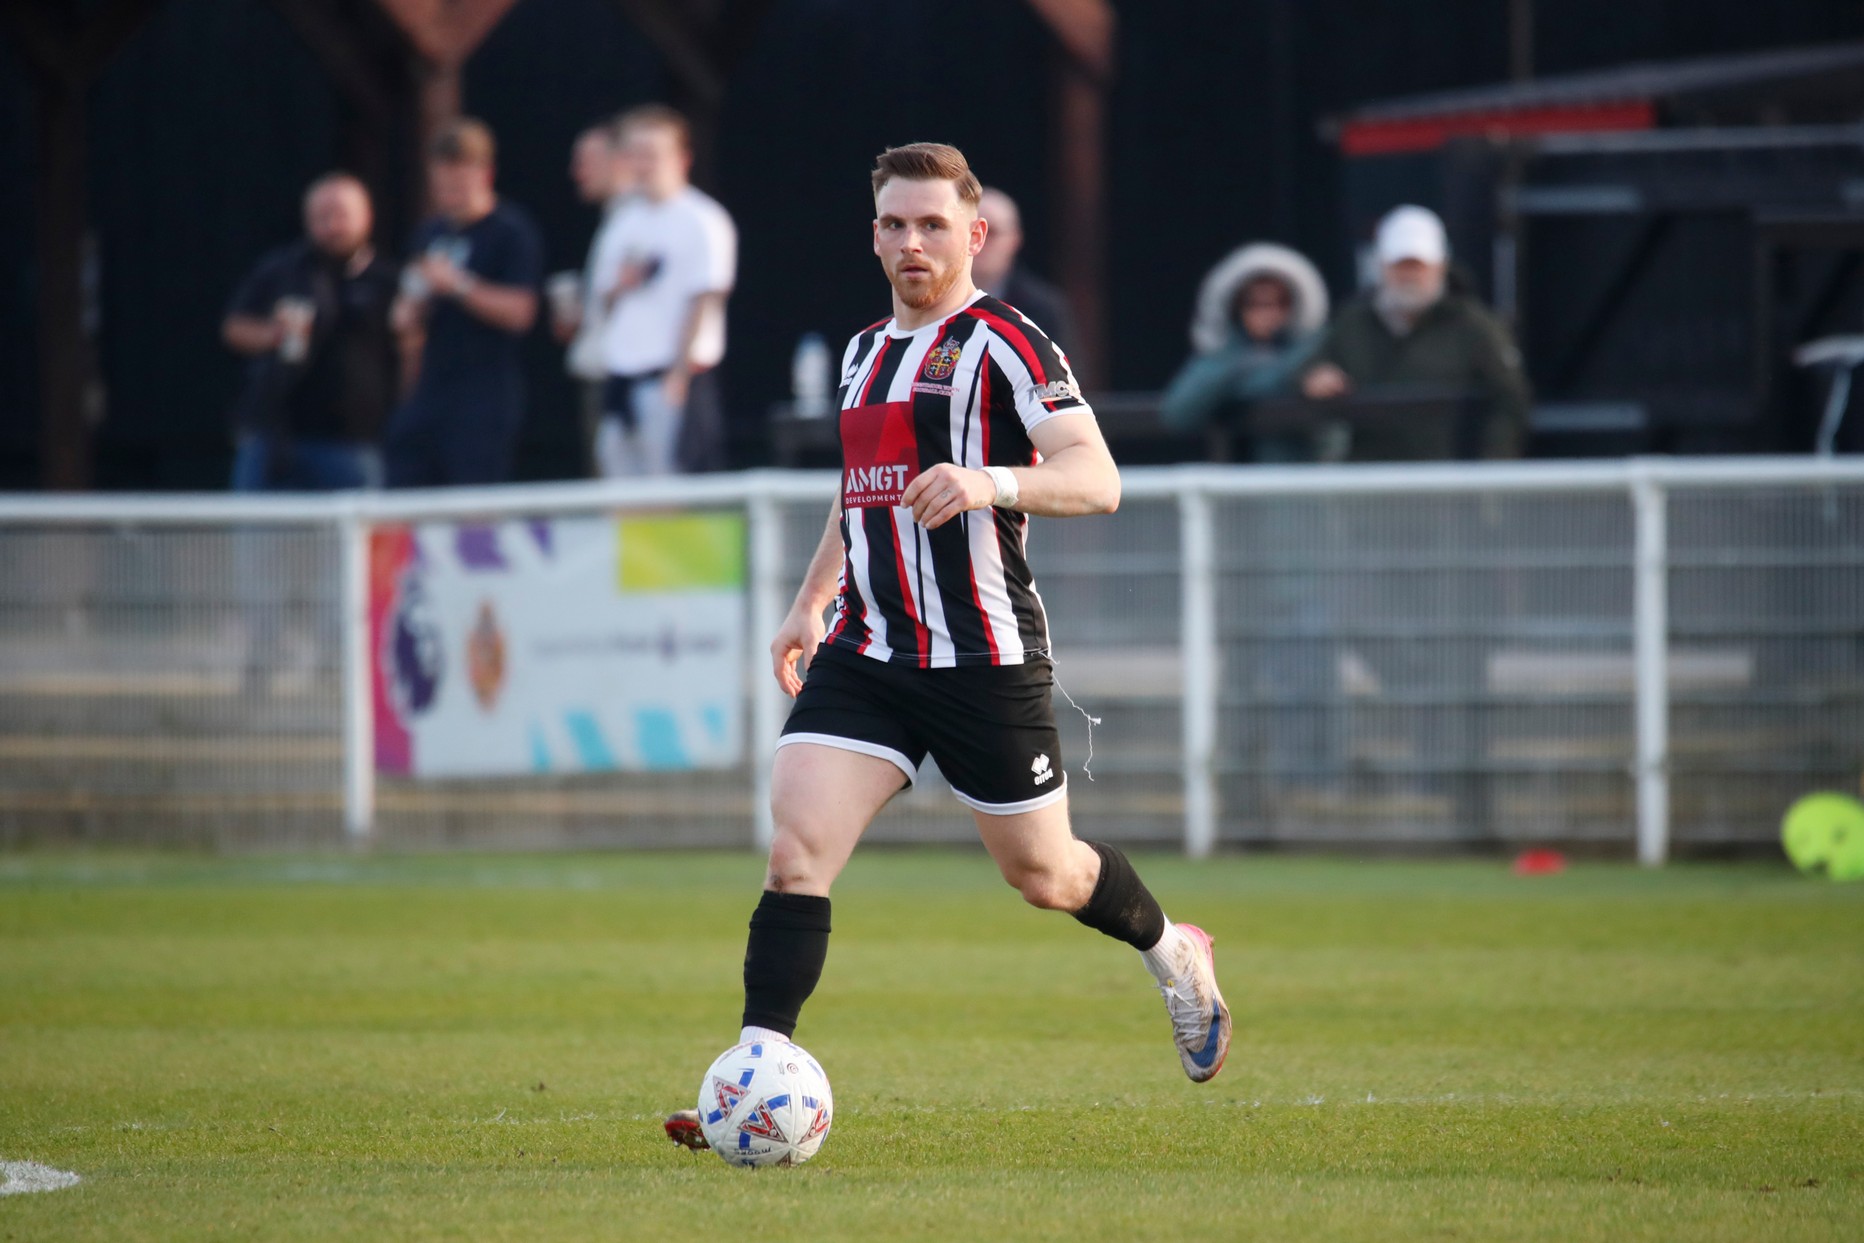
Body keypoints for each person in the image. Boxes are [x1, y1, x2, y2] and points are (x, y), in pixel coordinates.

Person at [666, 142, 1232, 1150]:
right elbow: (863, 491)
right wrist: (810, 603)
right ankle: (753, 1079)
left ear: (975, 234)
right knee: (796, 853)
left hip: (983, 656)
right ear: (874, 235)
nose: (913, 242)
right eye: (895, 224)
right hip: (868, 653)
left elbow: (1097, 477)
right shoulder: (861, 353)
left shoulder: (1009, 342)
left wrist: (989, 481)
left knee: (1045, 876)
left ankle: (1174, 950)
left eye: (933, 224)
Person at [1300, 204, 1529, 460]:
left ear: (1440, 266)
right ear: (1382, 266)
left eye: (1418, 266)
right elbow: (1307, 370)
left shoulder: (1475, 326)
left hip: (1449, 476)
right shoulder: (1352, 322)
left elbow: (1510, 399)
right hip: (1368, 475)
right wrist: (1315, 377)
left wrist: (1490, 467)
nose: (1409, 276)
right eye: (1400, 265)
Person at [385, 118, 543, 487]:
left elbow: (521, 312)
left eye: (458, 185)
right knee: (401, 484)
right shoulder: (430, 233)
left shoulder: (510, 232)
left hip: (484, 393)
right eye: (441, 186)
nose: (448, 196)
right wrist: (408, 312)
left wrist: (458, 285)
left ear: (484, 174)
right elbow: (408, 324)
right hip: (429, 389)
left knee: (473, 495)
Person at [222, 172, 398, 490]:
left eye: (341, 215)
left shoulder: (386, 280)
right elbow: (234, 328)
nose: (332, 226)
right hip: (277, 436)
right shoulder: (282, 269)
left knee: (363, 522)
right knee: (257, 520)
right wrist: (274, 334)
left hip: (355, 443)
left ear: (366, 217)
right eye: (322, 216)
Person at [592, 104, 736, 476]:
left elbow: (703, 300)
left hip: (670, 380)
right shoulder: (622, 220)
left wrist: (679, 375)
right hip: (623, 378)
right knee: (620, 488)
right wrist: (622, 284)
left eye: (652, 154)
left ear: (681, 158)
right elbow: (603, 298)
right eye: (636, 154)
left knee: (672, 488)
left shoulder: (703, 219)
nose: (643, 165)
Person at [1159, 242, 1329, 458]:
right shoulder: (1222, 356)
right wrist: (1242, 367)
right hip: (1236, 473)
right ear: (1237, 306)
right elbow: (1177, 414)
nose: (1267, 313)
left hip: (1298, 471)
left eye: (1279, 302)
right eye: (1255, 303)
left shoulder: (1312, 351)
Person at [554, 118, 638, 475]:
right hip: (602, 374)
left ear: (619, 161)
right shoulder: (614, 220)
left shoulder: (640, 219)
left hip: (621, 379)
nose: (577, 173)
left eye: (586, 162)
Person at [972, 186, 1077, 353]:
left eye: (991, 233)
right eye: (972, 232)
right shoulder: (932, 301)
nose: (980, 242)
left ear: (1014, 240)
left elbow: (1064, 366)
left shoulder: (1042, 309)